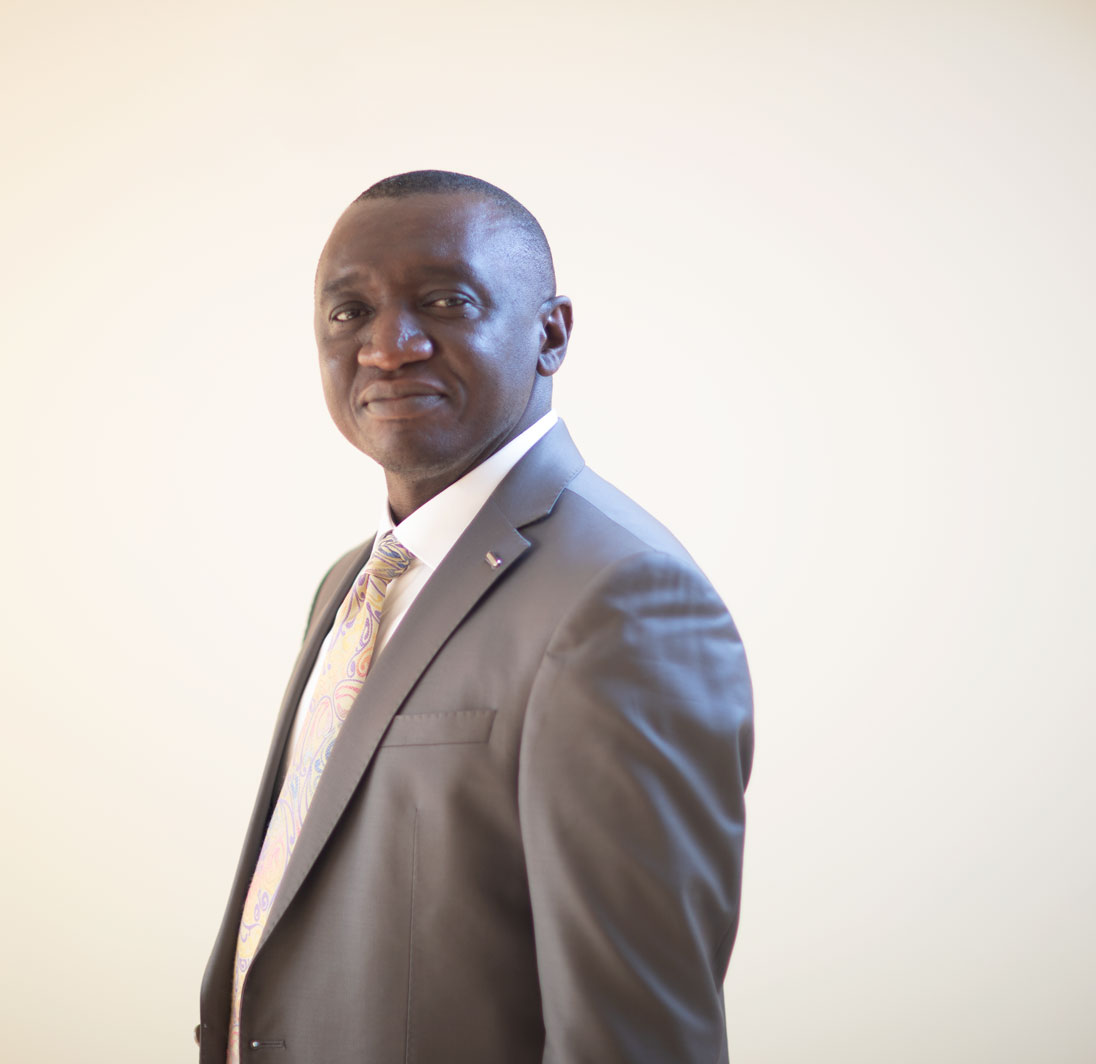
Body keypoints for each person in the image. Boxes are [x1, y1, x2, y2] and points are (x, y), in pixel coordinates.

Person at [197, 170, 754, 1063]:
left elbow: (637, 1039)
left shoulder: (621, 601)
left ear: (550, 334)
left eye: (446, 302)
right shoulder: (354, 582)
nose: (389, 347)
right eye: (350, 313)